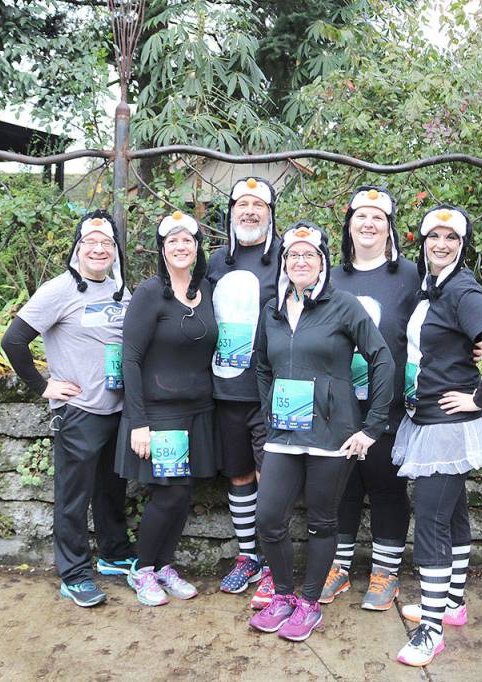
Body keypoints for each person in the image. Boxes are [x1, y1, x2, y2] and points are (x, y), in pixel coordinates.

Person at [249, 222, 395, 642]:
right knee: (268, 517)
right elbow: (262, 366)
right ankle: (283, 595)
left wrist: (372, 427)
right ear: (284, 263)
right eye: (293, 254)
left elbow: (382, 359)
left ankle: (309, 603)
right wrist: (269, 410)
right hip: (284, 432)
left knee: (322, 520)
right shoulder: (272, 310)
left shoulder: (344, 305)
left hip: (334, 433)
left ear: (322, 262)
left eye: (309, 255)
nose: (300, 261)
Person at [391, 205, 482, 666]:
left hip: (447, 426)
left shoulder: (461, 288)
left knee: (430, 521)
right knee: (453, 511)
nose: (441, 245)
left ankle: (430, 630)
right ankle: (452, 603)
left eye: (452, 238)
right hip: (427, 417)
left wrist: (479, 399)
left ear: (463, 246)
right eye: (434, 237)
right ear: (422, 242)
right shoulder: (433, 286)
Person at [1, 210, 136, 608]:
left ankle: (113, 554)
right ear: (77, 248)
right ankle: (74, 574)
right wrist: (42, 385)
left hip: (117, 410)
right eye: (90, 242)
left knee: (112, 490)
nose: (99, 249)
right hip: (79, 412)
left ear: (115, 251)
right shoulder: (58, 291)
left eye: (106, 243)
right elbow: (13, 341)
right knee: (73, 497)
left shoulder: (120, 290)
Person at [320, 186, 419, 611]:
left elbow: (437, 319)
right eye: (361, 215)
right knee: (340, 487)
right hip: (337, 405)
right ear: (349, 225)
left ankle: (385, 573)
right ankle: (338, 567)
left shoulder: (410, 275)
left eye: (378, 217)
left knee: (386, 486)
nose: (368, 223)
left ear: (389, 226)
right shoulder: (330, 276)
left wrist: (472, 344)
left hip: (389, 404)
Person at [115, 210, 220, 606]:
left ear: (197, 247)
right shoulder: (149, 294)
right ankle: (142, 570)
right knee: (169, 495)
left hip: (199, 410)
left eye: (187, 240)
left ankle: (163, 566)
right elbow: (130, 359)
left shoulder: (206, 289)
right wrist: (138, 422)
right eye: (172, 240)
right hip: (160, 414)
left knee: (183, 492)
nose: (180, 246)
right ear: (162, 248)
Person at [206, 177, 281, 602]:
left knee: (270, 478)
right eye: (242, 204)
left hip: (270, 392)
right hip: (225, 391)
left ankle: (273, 563)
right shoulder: (217, 260)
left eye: (258, 205)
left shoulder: (285, 256)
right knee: (238, 475)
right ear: (231, 211)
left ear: (270, 213)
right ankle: (248, 556)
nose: (250, 212)